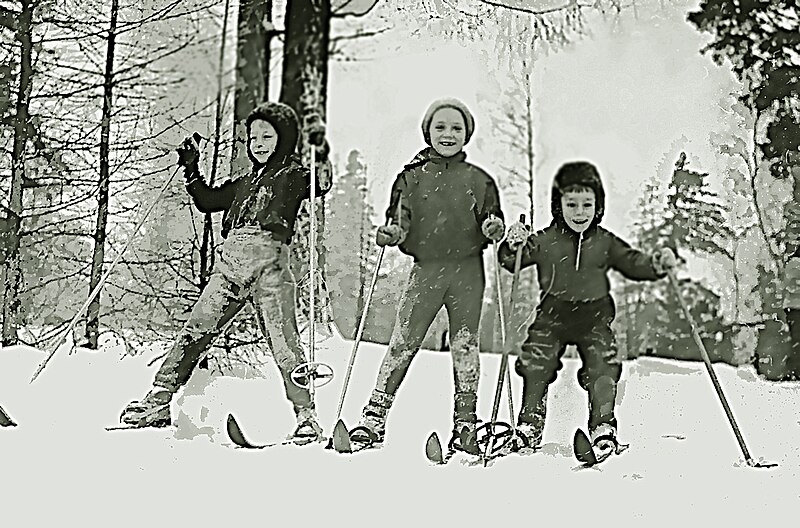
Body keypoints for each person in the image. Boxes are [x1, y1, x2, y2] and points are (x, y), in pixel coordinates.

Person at [119, 102, 332, 445]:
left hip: (270, 261)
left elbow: (320, 183)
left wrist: (320, 149)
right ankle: (158, 399)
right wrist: (191, 168)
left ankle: (306, 415)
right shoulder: (243, 183)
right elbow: (206, 200)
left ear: (285, 139)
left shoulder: (292, 176)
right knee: (197, 328)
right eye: (253, 138)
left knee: (284, 342)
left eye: (267, 136)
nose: (259, 143)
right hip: (231, 260)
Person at [341, 98, 506, 454]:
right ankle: (374, 418)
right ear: (428, 131)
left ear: (467, 134)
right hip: (426, 271)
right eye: (441, 127)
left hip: (468, 273)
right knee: (404, 340)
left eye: (456, 128)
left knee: (465, 345)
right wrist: (393, 233)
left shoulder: (479, 180)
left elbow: (491, 217)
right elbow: (400, 220)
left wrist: (494, 226)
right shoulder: (410, 177)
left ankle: (466, 424)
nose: (448, 134)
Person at [499, 161, 676, 459]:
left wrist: (656, 264)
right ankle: (530, 423)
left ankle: (603, 427)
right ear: (559, 205)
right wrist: (513, 244)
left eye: (586, 205)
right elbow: (511, 261)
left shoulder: (603, 241)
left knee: (603, 366)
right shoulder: (545, 240)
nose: (579, 213)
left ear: (598, 206)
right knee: (537, 360)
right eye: (572, 204)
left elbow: (632, 261)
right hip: (552, 314)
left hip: (594, 317)